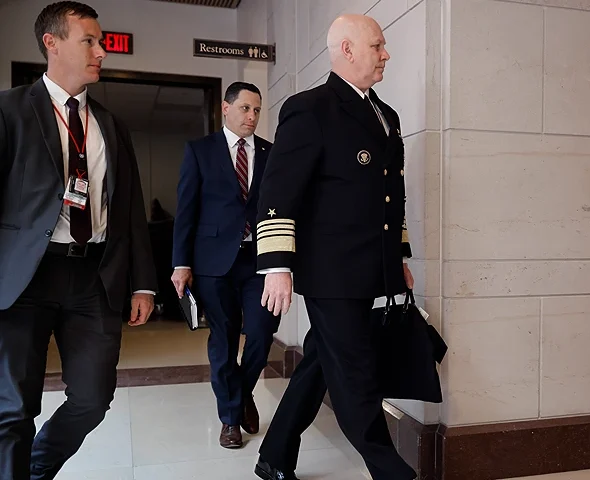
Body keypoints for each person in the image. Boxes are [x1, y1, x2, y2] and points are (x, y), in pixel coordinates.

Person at [252, 14, 416, 480]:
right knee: (356, 374)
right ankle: (393, 472)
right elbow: (278, 192)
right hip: (330, 272)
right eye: (378, 46)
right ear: (346, 49)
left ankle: (274, 455)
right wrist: (277, 265)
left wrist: (399, 257)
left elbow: (392, 197)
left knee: (323, 361)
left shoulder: (386, 115)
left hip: (369, 269)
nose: (386, 54)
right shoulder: (310, 109)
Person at [0, 2, 158, 479]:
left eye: (101, 41)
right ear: (52, 42)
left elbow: (130, 209)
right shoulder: (9, 110)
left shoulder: (110, 124)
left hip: (93, 276)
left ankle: (35, 468)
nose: (101, 51)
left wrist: (144, 284)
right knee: (12, 409)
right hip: (24, 278)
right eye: (89, 40)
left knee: (93, 398)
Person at [171, 81, 279, 449]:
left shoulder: (270, 152)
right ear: (226, 108)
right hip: (213, 263)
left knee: (263, 333)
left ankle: (241, 391)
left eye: (257, 111)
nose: (252, 117)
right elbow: (186, 211)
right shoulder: (200, 151)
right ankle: (230, 419)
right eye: (246, 109)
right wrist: (180, 263)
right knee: (224, 340)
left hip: (259, 261)